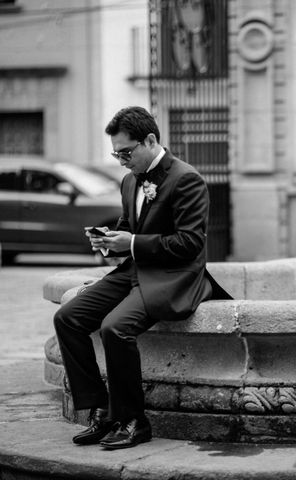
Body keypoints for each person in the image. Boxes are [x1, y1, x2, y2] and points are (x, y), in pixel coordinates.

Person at [53, 106, 232, 450]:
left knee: (115, 327)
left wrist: (132, 243)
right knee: (68, 317)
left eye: (126, 152)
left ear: (150, 140)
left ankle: (135, 421)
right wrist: (108, 241)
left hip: (173, 276)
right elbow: (129, 229)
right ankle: (102, 412)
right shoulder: (128, 180)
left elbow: (190, 243)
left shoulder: (186, 178)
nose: (121, 160)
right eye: (115, 153)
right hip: (134, 271)